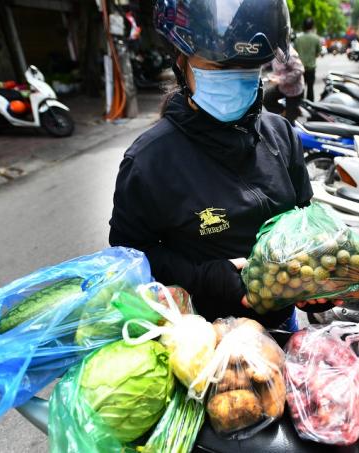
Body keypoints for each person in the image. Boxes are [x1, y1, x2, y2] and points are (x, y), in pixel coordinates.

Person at [108, 0, 317, 327]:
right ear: (181, 61)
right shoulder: (148, 161)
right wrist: (206, 277)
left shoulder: (282, 135)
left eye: (250, 68)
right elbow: (130, 259)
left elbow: (304, 220)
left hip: (282, 328)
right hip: (198, 342)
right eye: (220, 67)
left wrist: (319, 277)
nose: (238, 78)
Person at [263, 42, 304, 123]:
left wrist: (280, 79)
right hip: (282, 87)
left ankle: (292, 112)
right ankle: (285, 111)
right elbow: (266, 62)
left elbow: (299, 70)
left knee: (289, 122)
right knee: (266, 98)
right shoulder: (273, 50)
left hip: (294, 90)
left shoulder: (288, 53)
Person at [295, 17, 321, 101]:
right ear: (312, 26)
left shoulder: (298, 39)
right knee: (310, 88)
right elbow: (318, 53)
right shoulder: (316, 38)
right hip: (311, 68)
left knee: (300, 89)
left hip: (300, 68)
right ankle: (310, 107)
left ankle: (300, 107)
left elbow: (294, 54)